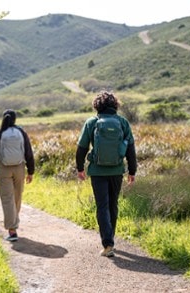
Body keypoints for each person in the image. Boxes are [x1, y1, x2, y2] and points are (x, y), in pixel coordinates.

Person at [76, 91, 137, 257]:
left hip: (97, 171)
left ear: (97, 105)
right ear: (115, 105)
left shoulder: (92, 122)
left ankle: (108, 243)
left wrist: (80, 168)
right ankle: (111, 238)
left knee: (102, 206)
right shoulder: (122, 122)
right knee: (113, 204)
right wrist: (132, 171)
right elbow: (130, 149)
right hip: (117, 170)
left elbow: (81, 148)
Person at [0, 109, 35, 242]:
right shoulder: (21, 132)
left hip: (4, 169)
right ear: (15, 119)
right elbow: (28, 152)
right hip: (19, 168)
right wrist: (30, 171)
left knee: (7, 198)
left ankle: (12, 230)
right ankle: (14, 222)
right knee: (17, 197)